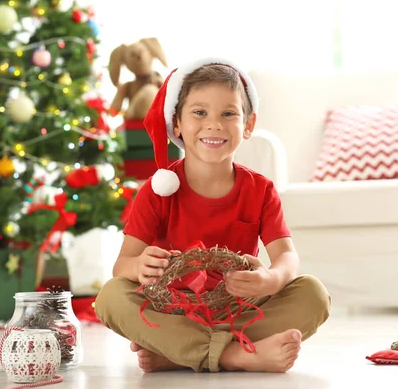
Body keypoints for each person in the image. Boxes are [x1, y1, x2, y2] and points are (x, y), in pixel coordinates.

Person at [95, 57, 330, 373]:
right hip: (174, 311)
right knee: (111, 297)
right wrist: (139, 266)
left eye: (229, 114)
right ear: (176, 123)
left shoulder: (260, 190)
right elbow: (121, 266)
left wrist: (271, 280)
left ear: (248, 124)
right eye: (199, 112)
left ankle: (180, 352)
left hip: (239, 309)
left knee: (313, 293)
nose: (214, 124)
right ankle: (235, 355)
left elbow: (286, 256)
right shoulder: (157, 190)